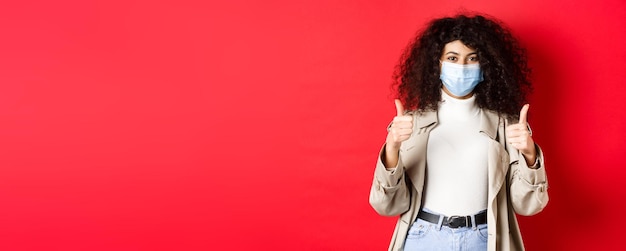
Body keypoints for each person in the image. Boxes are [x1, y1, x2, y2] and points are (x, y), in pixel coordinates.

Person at [369, 14, 549, 251]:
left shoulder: (507, 126)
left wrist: (529, 155)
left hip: (485, 239)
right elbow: (387, 206)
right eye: (452, 58)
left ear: (485, 66)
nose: (462, 67)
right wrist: (392, 149)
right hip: (424, 238)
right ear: (438, 64)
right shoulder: (409, 124)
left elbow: (527, 206)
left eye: (472, 59)